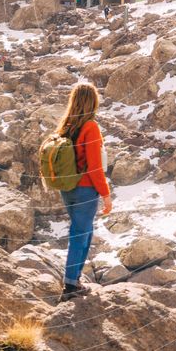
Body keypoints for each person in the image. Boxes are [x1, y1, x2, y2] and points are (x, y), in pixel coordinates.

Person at [56, 81, 111, 302]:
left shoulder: (66, 125)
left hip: (67, 189)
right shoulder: (90, 127)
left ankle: (75, 280)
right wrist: (106, 195)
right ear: (93, 102)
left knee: (84, 231)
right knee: (80, 234)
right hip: (86, 190)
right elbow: (95, 167)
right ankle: (70, 284)